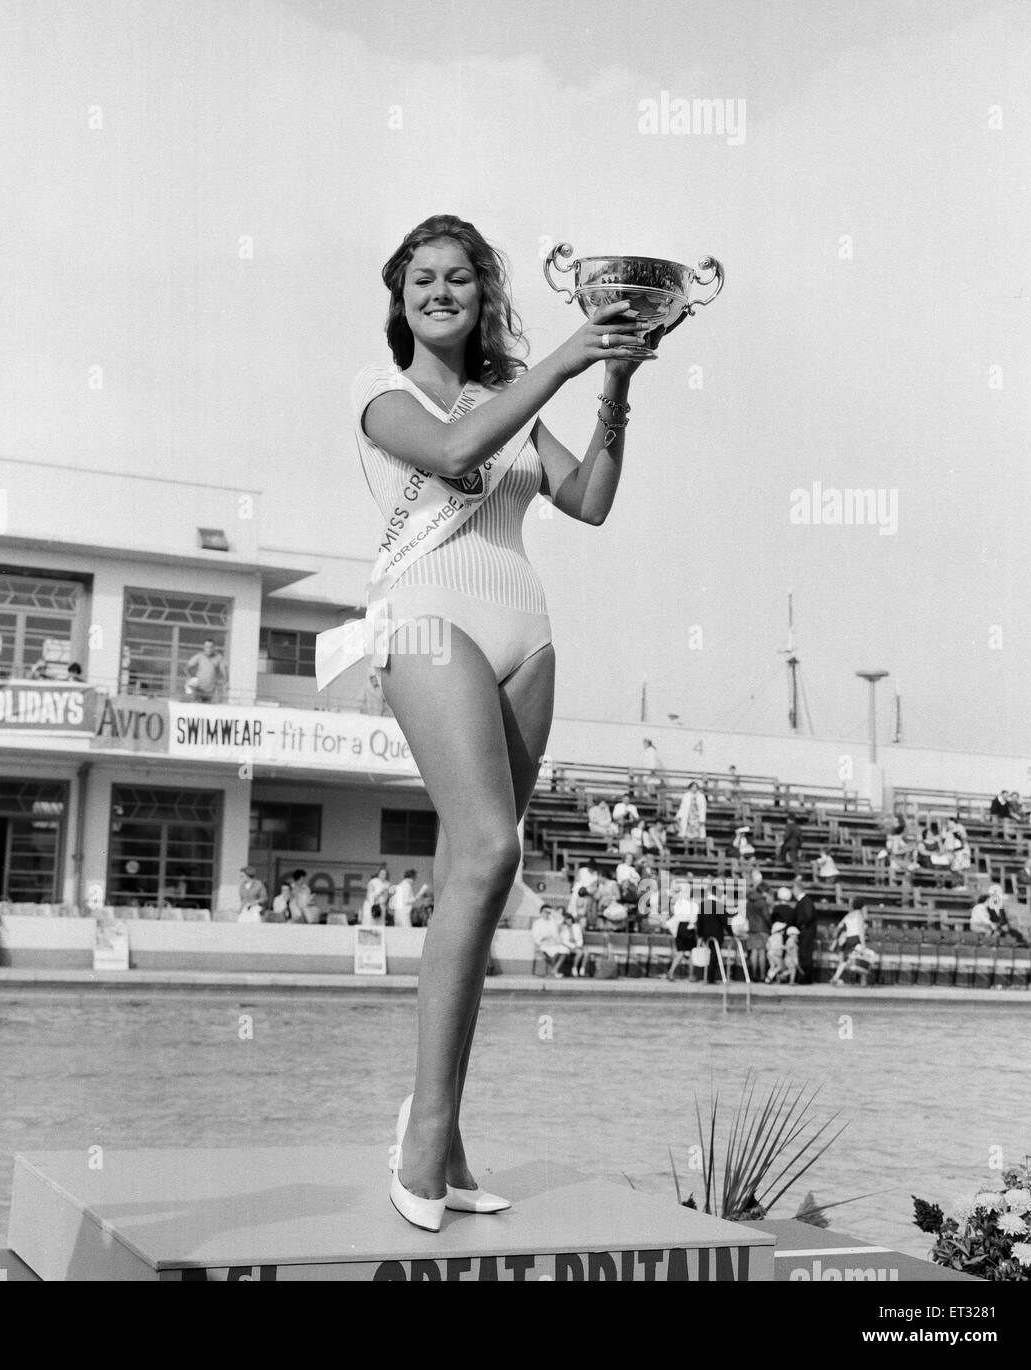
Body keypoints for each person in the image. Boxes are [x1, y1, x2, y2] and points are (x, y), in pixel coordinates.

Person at [329, 213, 675, 1233]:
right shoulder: (378, 395)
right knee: (486, 846)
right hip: (427, 620)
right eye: (421, 279)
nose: (441, 291)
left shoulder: (511, 395)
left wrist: (615, 383)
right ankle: (423, 1134)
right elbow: (447, 449)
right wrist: (570, 355)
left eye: (460, 279)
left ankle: (445, 1128)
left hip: (526, 632)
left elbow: (590, 499)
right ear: (399, 298)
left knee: (480, 883)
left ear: (484, 297)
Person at [663, 882, 700, 981]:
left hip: (680, 928)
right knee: (692, 952)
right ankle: (691, 975)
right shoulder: (693, 905)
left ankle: (670, 972)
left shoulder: (678, 904)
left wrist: (667, 924)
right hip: (688, 928)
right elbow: (694, 919)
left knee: (680, 953)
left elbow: (677, 917)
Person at [829, 899, 870, 985]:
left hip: (848, 939)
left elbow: (840, 926)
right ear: (862, 907)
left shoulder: (848, 915)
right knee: (863, 958)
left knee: (845, 960)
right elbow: (860, 930)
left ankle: (836, 977)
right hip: (856, 938)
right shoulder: (859, 915)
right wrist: (863, 944)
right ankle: (863, 982)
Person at [791, 878, 818, 984]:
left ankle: (805, 978)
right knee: (804, 954)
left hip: (806, 931)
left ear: (798, 889)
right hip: (806, 931)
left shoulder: (805, 901)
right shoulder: (804, 901)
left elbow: (809, 915)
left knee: (805, 954)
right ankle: (804, 977)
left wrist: (802, 925)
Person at [745, 876, 773, 982]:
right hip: (763, 929)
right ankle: (762, 975)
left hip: (752, 929)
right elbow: (767, 917)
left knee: (753, 952)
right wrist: (770, 926)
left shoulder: (749, 901)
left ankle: (753, 974)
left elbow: (747, 916)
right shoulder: (762, 902)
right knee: (761, 953)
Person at [531, 905, 570, 977]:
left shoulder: (552, 921)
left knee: (565, 950)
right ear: (541, 912)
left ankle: (555, 969)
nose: (546, 914)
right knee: (551, 954)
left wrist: (552, 911)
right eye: (545, 912)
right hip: (543, 944)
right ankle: (554, 971)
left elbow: (561, 919)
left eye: (548, 912)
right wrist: (545, 938)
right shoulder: (537, 923)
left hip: (554, 944)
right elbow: (535, 936)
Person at [675, 781, 707, 851]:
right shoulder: (686, 796)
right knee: (687, 835)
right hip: (688, 818)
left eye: (695, 787)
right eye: (692, 787)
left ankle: (696, 851)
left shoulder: (701, 796)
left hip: (697, 819)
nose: (694, 788)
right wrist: (678, 816)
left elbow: (703, 808)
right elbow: (682, 807)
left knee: (696, 836)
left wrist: (702, 819)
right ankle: (686, 850)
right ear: (690, 787)